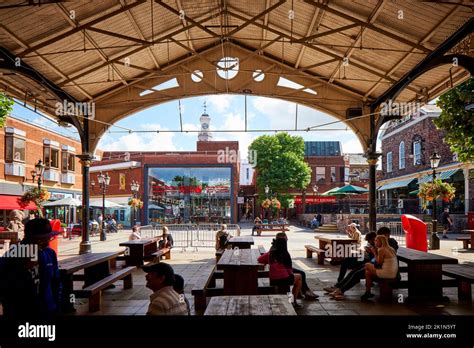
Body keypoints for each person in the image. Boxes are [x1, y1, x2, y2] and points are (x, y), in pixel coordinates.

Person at [0, 218, 61, 318]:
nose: (47, 240)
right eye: (44, 238)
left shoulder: (49, 253)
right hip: (20, 311)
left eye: (48, 237)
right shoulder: (13, 255)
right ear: (32, 238)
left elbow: (56, 281)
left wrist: (56, 305)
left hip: (47, 309)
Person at [324, 232, 377, 300]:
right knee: (348, 260)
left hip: (367, 261)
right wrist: (368, 250)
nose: (370, 242)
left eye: (370, 240)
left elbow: (375, 259)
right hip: (365, 259)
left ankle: (339, 287)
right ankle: (338, 285)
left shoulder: (380, 246)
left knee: (354, 271)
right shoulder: (374, 244)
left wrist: (372, 252)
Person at [257, 236, 303, 308]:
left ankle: (292, 300)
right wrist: (291, 276)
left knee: (292, 280)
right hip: (284, 279)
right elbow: (289, 269)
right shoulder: (286, 254)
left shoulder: (270, 254)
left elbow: (259, 259)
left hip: (273, 280)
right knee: (299, 277)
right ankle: (294, 301)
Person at [275, 232, 318, 300]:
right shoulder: (280, 249)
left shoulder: (275, 247)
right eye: (286, 238)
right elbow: (286, 264)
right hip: (282, 271)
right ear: (282, 239)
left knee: (301, 273)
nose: (287, 239)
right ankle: (302, 294)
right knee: (301, 274)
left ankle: (302, 292)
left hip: (282, 269)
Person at [361, 235, 398, 301]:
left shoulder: (381, 250)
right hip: (393, 273)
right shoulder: (391, 248)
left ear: (381, 242)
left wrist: (374, 252)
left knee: (367, 265)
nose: (375, 242)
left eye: (376, 241)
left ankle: (368, 290)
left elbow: (379, 263)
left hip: (387, 273)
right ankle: (367, 292)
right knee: (368, 272)